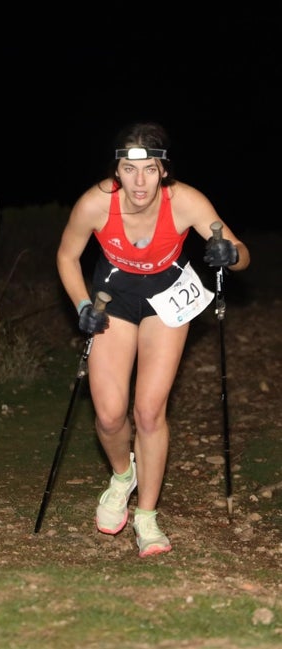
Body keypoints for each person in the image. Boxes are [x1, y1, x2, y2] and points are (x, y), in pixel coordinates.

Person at [55, 121, 250, 558]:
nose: (138, 182)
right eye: (128, 169)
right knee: (108, 415)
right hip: (114, 297)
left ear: (163, 171)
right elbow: (67, 256)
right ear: (117, 171)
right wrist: (82, 305)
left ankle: (146, 516)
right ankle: (124, 475)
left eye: (148, 170)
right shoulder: (95, 203)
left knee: (148, 411)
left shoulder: (185, 201)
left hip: (167, 299)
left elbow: (239, 253)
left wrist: (231, 254)